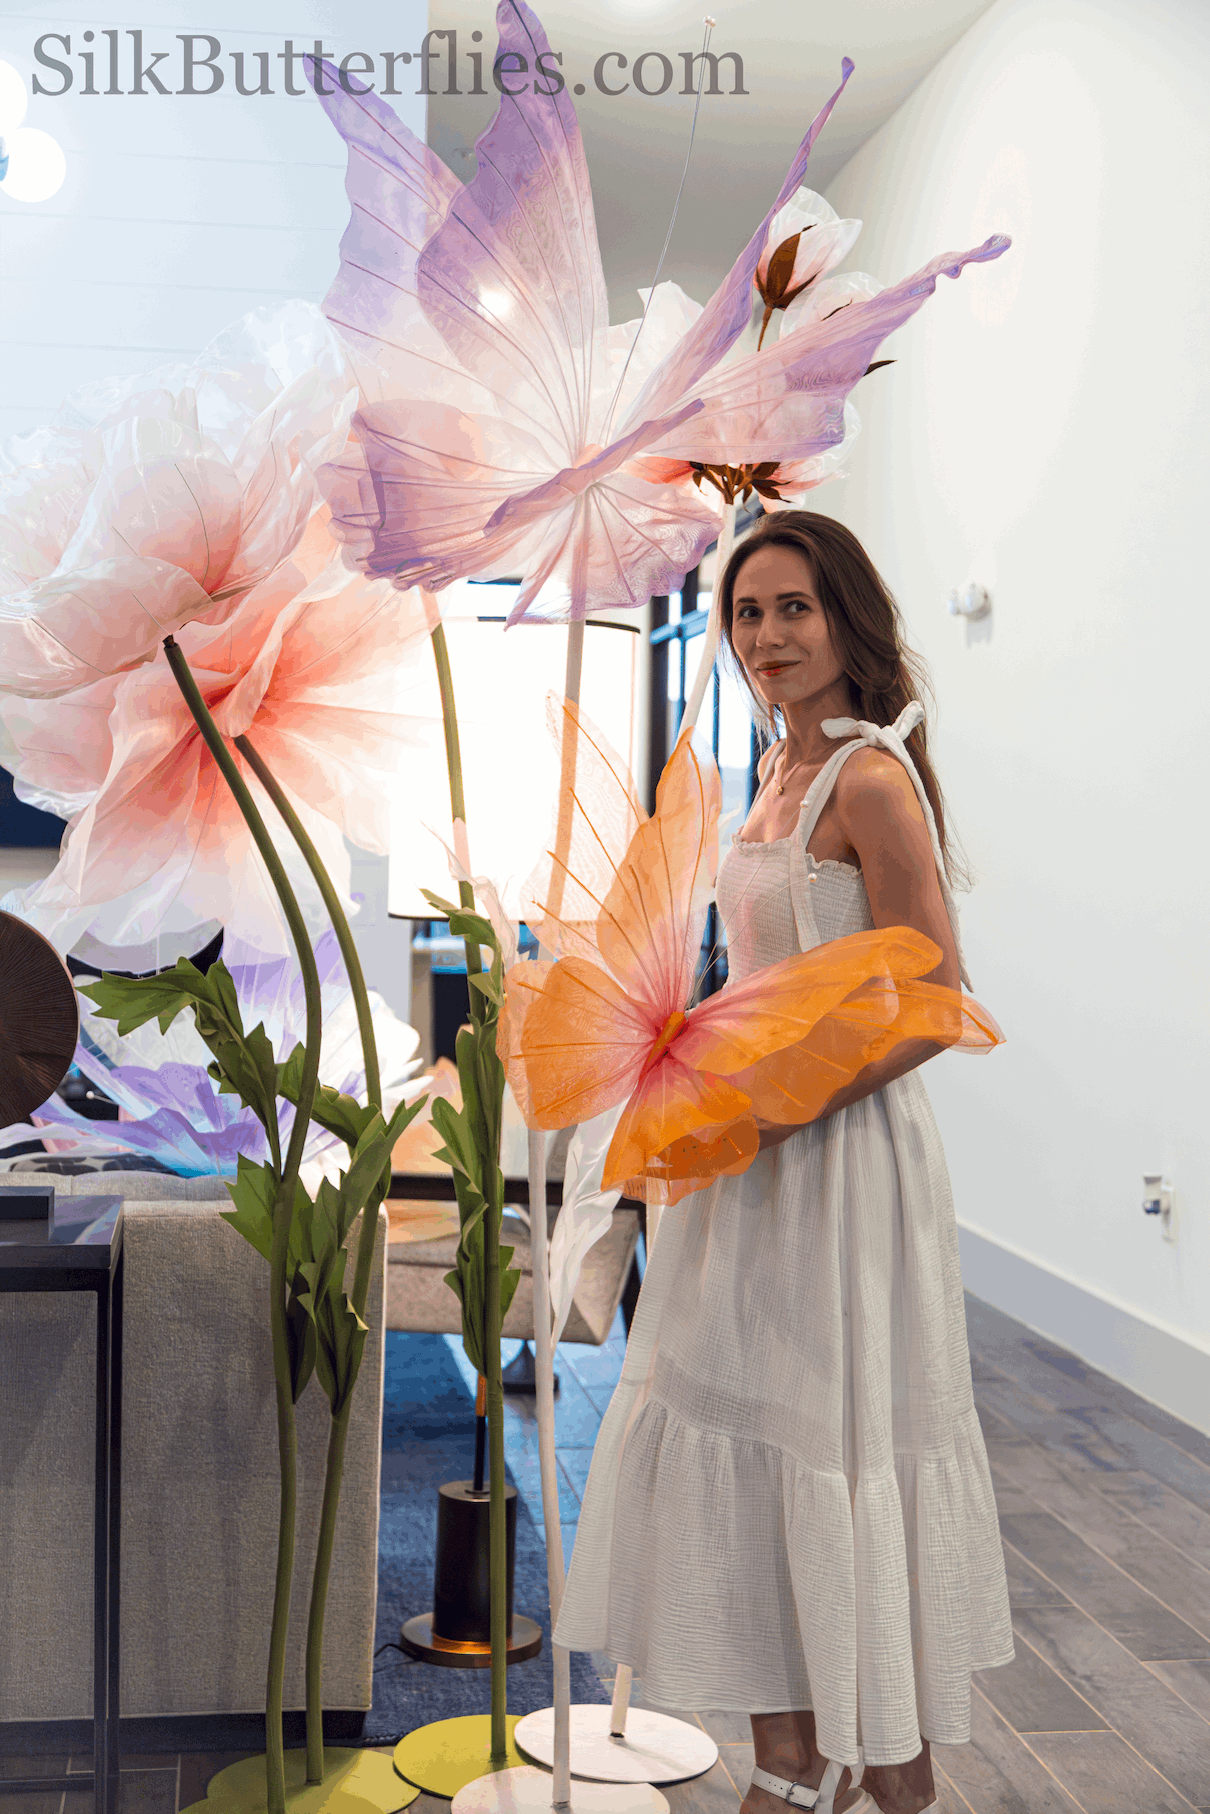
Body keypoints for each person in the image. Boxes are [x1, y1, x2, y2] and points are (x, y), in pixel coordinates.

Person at [553, 511, 1013, 1814]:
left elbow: (936, 998)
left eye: (791, 608)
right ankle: (843, 1751)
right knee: (744, 1428)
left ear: (844, 618)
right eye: (746, 612)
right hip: (743, 1157)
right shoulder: (766, 769)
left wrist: (781, 1105)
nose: (766, 635)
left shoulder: (867, 778)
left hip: (835, 1161)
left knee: (830, 1427)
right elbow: (763, 978)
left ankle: (836, 1754)